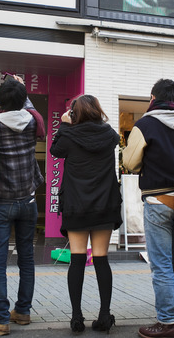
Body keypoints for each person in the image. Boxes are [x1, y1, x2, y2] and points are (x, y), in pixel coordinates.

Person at [123, 79, 174, 338]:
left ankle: (167, 322)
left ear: (152, 98)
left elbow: (131, 163)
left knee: (162, 264)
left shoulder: (145, 124)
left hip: (159, 201)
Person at [0, 75, 46, 336]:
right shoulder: (34, 119)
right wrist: (20, 88)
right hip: (27, 201)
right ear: (23, 99)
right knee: (27, 258)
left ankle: (1, 318)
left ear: (0, 101)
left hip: (1, 204)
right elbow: (31, 108)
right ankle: (23, 311)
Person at [50, 94, 122, 333]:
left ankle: (76, 317)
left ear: (75, 113)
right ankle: (104, 316)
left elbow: (55, 151)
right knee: (101, 258)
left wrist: (63, 124)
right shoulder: (110, 135)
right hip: (104, 204)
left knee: (77, 258)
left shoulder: (69, 135)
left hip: (77, 205)